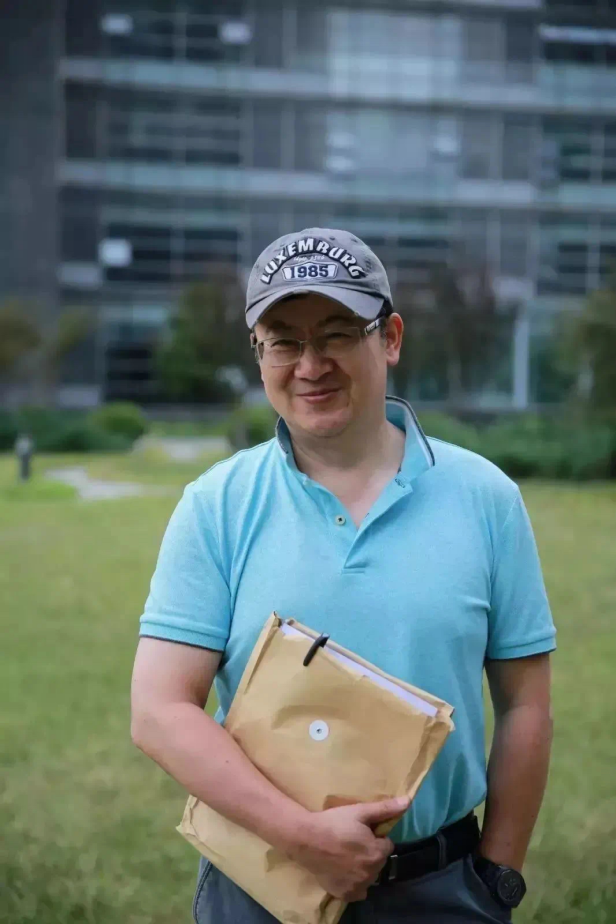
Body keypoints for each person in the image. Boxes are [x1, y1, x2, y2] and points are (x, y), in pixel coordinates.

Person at [131, 229, 555, 923]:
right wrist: (301, 835)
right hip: (259, 886)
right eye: (284, 341)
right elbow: (158, 710)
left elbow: (526, 706)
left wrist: (497, 877)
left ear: (390, 339)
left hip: (442, 890)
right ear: (259, 355)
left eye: (336, 334)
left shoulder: (486, 499)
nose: (310, 364)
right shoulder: (216, 504)